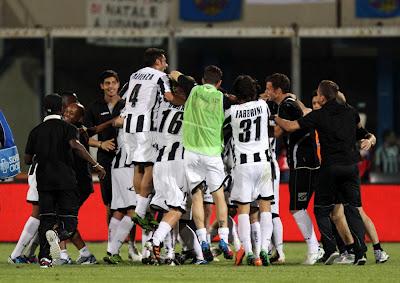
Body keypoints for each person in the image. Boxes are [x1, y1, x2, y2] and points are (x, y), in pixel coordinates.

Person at [274, 80, 373, 265]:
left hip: (330, 168)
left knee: (321, 210)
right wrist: (371, 139)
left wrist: (276, 116)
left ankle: (329, 250)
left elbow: (290, 127)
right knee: (352, 209)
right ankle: (360, 254)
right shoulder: (351, 112)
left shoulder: (319, 115)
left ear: (322, 97)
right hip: (352, 167)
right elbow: (364, 133)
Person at [25, 94, 105, 268]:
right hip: (65, 182)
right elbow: (76, 146)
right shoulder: (68, 129)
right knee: (69, 222)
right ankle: (59, 236)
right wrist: (96, 164)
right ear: (61, 109)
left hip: (44, 182)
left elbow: (28, 159)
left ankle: (45, 259)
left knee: (46, 220)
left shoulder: (36, 131)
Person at [313, 92, 390, 265]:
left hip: (344, 169)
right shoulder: (334, 118)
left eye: (318, 102)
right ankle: (361, 250)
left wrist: (370, 140)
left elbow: (368, 134)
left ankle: (368, 250)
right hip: (342, 169)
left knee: (351, 212)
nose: (317, 105)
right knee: (342, 213)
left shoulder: (340, 119)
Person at [113, 48, 179, 228]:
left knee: (138, 168)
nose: (166, 65)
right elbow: (169, 97)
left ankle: (144, 211)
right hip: (145, 126)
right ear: (158, 61)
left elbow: (123, 97)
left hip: (129, 125)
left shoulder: (135, 75)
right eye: (164, 61)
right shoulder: (160, 76)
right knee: (150, 167)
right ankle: (141, 212)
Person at [266, 73, 322, 264]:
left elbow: (278, 131)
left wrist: (266, 118)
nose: (266, 92)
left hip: (303, 162)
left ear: (278, 90)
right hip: (306, 161)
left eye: (268, 89)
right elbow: (307, 113)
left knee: (297, 208)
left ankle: (315, 249)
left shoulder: (287, 105)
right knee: (302, 208)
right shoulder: (290, 103)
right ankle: (322, 247)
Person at [181, 65, 232, 262]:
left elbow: (178, 75)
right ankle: (224, 240)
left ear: (202, 80)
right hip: (212, 153)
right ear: (219, 83)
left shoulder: (193, 89)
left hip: (192, 152)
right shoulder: (222, 98)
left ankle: (202, 240)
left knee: (196, 198)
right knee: (219, 196)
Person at [225, 75, 274, 266]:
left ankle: (248, 252)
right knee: (265, 207)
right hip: (263, 163)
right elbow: (260, 101)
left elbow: (223, 125)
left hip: (243, 166)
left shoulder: (233, 111)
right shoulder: (263, 106)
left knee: (243, 209)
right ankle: (263, 249)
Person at [84, 70, 124, 223]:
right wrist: (100, 144)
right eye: (107, 83)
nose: (111, 86)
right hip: (105, 160)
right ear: (102, 86)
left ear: (118, 84)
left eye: (114, 83)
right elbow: (82, 136)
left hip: (126, 159)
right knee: (110, 203)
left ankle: (132, 244)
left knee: (129, 203)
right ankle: (112, 243)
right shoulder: (95, 107)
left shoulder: (127, 105)